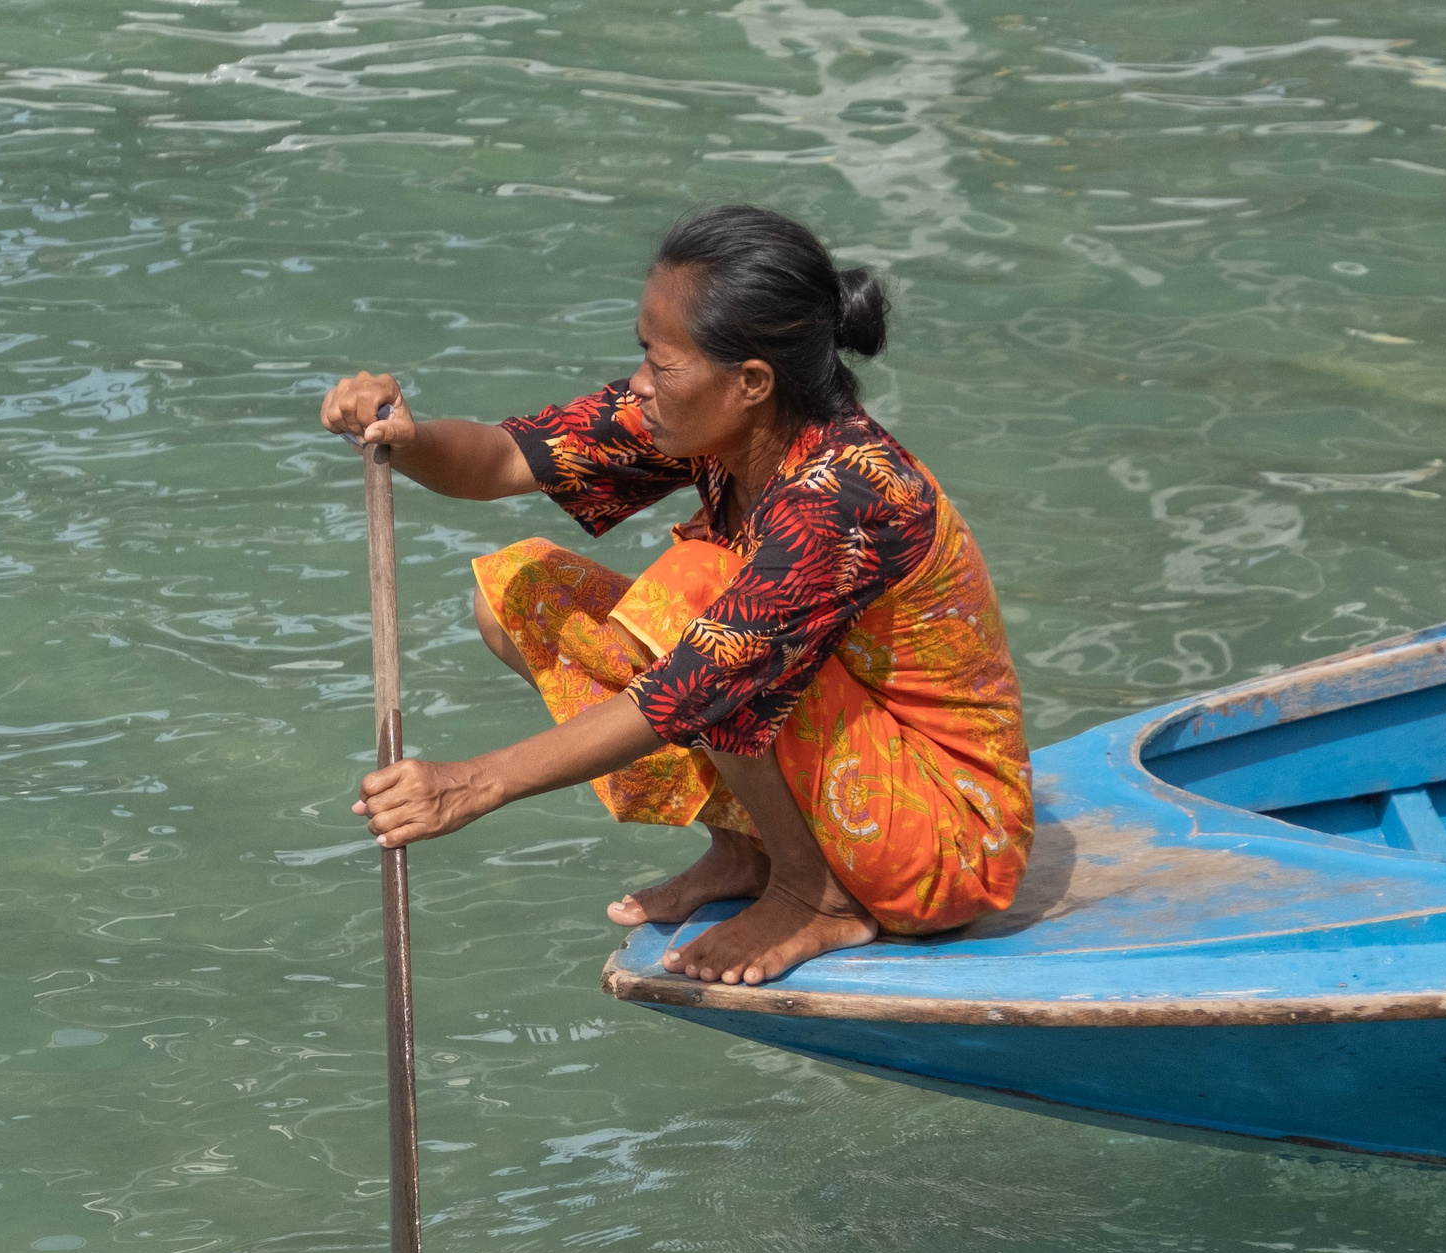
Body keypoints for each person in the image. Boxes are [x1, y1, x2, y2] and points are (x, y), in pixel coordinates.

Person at [319, 205, 1031, 987]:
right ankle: (749, 850)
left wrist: (475, 782)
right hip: (836, 761)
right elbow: (500, 462)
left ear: (751, 382)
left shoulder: (849, 491)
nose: (641, 385)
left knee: (700, 596)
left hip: (950, 842)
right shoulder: (717, 424)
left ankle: (812, 895)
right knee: (523, 592)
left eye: (662, 365)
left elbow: (695, 688)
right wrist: (409, 437)